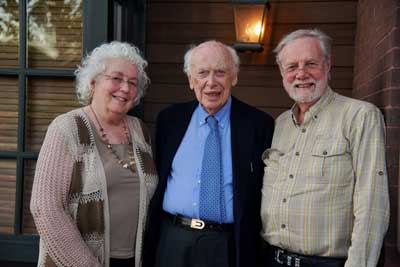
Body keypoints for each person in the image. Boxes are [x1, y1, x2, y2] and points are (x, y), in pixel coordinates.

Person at [260, 29, 390, 267]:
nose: (301, 73)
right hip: (272, 259)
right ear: (281, 72)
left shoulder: (359, 116)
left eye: (311, 63)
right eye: (291, 67)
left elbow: (373, 203)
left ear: (328, 65)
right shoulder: (279, 125)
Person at [142, 40, 274, 267]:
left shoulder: (258, 125)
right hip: (173, 239)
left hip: (228, 244)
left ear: (234, 77)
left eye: (220, 72)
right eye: (202, 73)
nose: (211, 82)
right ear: (191, 80)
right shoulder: (169, 120)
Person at [30, 41, 158, 267]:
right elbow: (45, 207)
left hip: (131, 259)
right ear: (93, 82)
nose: (125, 88)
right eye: (116, 78)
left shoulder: (140, 131)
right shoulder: (67, 127)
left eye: (132, 82)